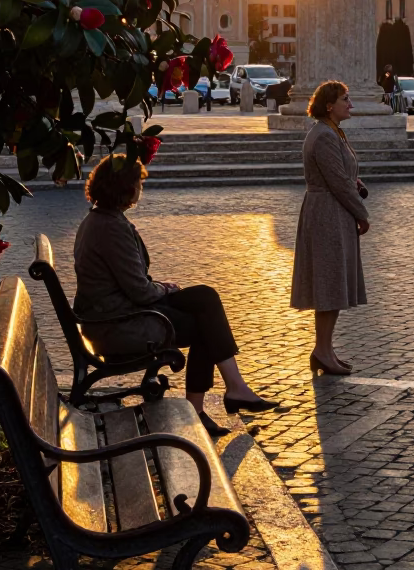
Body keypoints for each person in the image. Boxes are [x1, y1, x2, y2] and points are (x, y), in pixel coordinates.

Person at [73, 155, 276, 435]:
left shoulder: (103, 220)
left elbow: (132, 283)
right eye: (137, 183)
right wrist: (164, 288)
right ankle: (204, 405)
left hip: (117, 310)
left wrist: (161, 287)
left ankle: (235, 388)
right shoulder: (110, 228)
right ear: (125, 187)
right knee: (205, 326)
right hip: (118, 323)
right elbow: (140, 291)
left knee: (205, 296)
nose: (140, 189)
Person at [290, 81, 369, 376]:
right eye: (344, 99)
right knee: (328, 284)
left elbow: (340, 173)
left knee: (331, 284)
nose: (350, 103)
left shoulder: (332, 131)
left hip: (332, 212)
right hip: (327, 214)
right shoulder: (323, 135)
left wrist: (356, 182)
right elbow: (336, 181)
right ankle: (322, 351)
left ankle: (325, 349)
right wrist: (362, 214)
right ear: (328, 105)